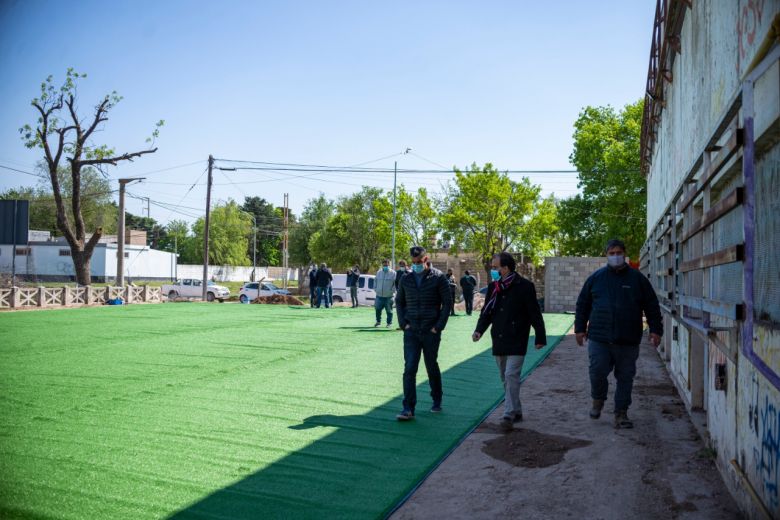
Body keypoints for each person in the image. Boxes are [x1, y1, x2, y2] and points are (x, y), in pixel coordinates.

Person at [575, 239, 663, 429]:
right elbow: (583, 304)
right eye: (611, 253)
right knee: (597, 372)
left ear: (624, 254)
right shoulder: (596, 278)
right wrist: (580, 328)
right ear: (606, 255)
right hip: (600, 338)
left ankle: (621, 413)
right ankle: (598, 400)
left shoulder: (637, 279)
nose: (615, 256)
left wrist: (656, 330)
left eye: (618, 252)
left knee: (625, 377)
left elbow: (651, 305)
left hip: (628, 339)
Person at [472, 252, 547, 432]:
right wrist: (479, 330)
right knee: (504, 377)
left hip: (517, 337)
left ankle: (508, 414)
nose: (493, 271)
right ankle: (517, 410)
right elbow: (486, 313)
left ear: (505, 268)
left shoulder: (525, 287)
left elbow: (534, 313)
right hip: (499, 337)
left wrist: (540, 337)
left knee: (511, 375)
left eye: (495, 267)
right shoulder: (493, 287)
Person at [395, 245, 452, 420]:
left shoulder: (438, 278)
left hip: (430, 331)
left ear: (426, 259)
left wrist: (438, 326)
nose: (416, 265)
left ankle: (436, 399)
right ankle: (408, 408)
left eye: (419, 262)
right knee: (409, 368)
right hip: (411, 331)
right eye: (413, 262)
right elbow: (399, 302)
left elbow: (447, 303)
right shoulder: (406, 278)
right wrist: (403, 324)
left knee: (431, 365)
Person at [374, 259, 396, 327]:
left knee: (389, 311)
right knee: (377, 309)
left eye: (387, 265)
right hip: (379, 295)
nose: (385, 266)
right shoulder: (379, 272)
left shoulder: (393, 273)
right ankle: (378, 322)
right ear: (382, 265)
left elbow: (395, 284)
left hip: (389, 296)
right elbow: (375, 281)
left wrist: (391, 291)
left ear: (389, 265)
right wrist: (375, 289)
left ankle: (389, 323)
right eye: (384, 265)